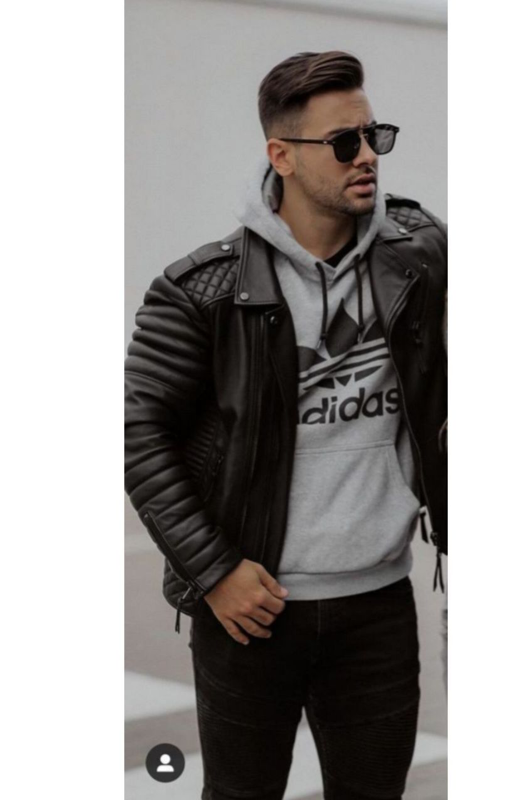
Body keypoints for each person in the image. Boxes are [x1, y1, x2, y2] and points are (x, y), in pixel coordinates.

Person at [125, 50, 447, 800]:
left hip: (379, 605)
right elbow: (139, 435)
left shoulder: (420, 259)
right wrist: (213, 571)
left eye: (375, 135)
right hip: (252, 610)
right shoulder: (203, 291)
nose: (367, 156)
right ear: (282, 156)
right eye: (344, 142)